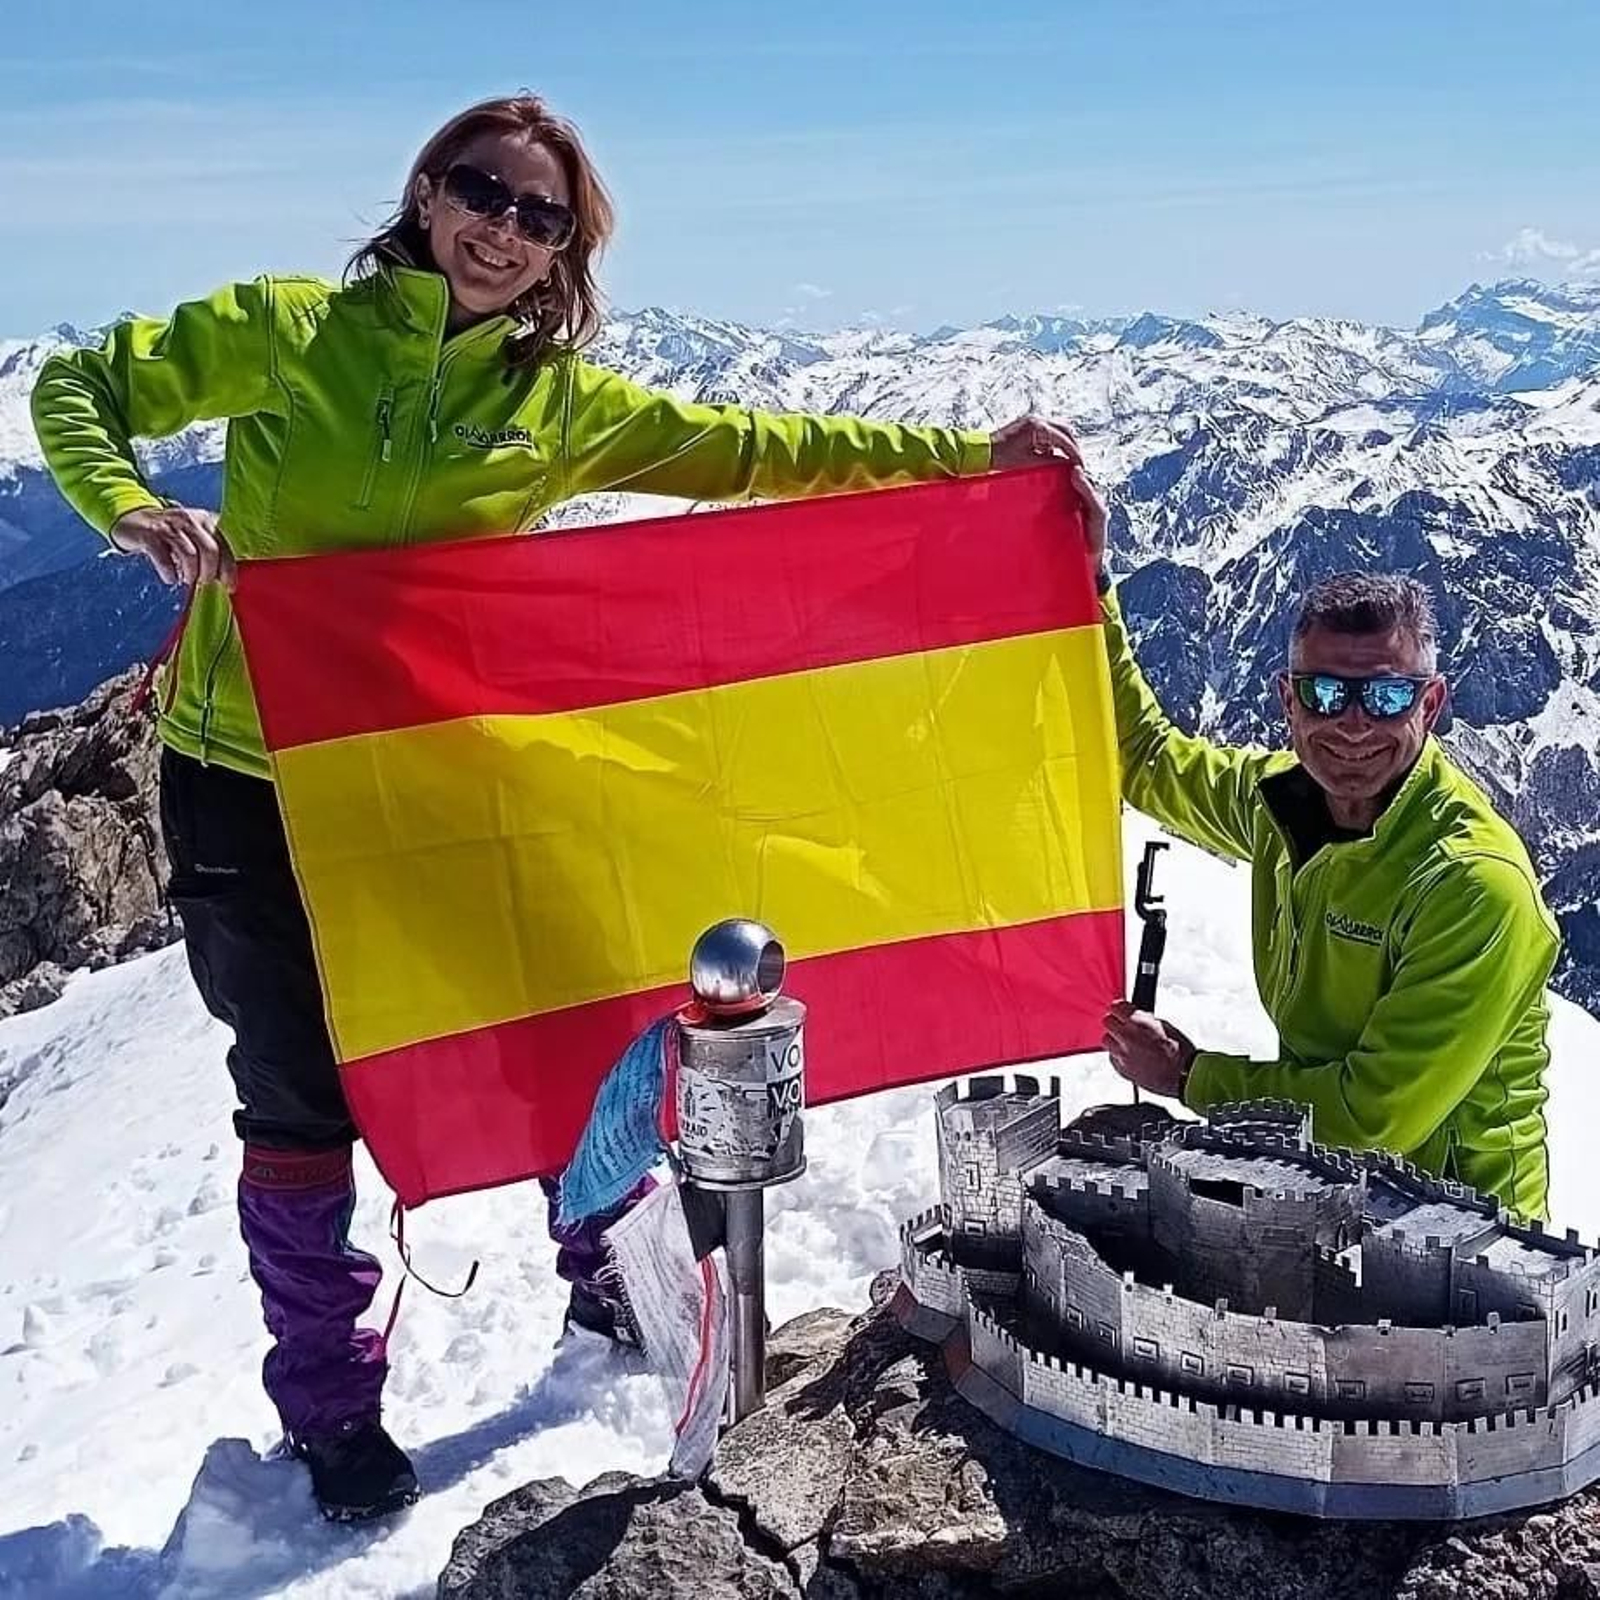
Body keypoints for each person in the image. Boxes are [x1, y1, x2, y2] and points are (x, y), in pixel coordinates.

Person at [30, 94, 1079, 1523]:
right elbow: (80, 386)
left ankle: (602, 1274)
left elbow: (756, 452)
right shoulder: (291, 333)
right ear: (425, 189)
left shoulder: (557, 407)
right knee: (291, 1097)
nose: (504, 232)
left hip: (437, 783)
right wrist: (124, 505)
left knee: (562, 1038)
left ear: (566, 251)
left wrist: (970, 468)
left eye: (541, 218)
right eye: (484, 192)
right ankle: (332, 1408)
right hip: (246, 778)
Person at [1066, 467, 1561, 1223]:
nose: (1353, 723)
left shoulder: (1471, 886)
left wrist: (1192, 1076)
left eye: (1387, 695)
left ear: (1430, 705)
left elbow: (1371, 1119)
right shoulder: (1277, 801)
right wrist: (1090, 578)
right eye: (1326, 693)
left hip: (1466, 1242)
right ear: (1287, 701)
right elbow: (1146, 762)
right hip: (1329, 1192)